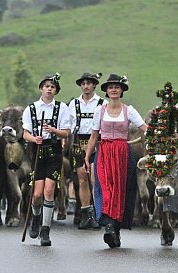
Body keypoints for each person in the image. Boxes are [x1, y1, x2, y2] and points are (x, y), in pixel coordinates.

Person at [84, 73, 148, 248]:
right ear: (106, 90)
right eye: (110, 87)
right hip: (104, 152)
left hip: (122, 153)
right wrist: (87, 157)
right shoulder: (100, 110)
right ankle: (109, 225)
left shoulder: (129, 110)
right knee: (105, 188)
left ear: (121, 91)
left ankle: (114, 228)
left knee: (119, 190)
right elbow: (94, 136)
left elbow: (145, 128)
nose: (114, 90)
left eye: (117, 87)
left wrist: (160, 134)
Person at [22, 73, 71, 246]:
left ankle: (45, 230)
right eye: (47, 86)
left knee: (49, 191)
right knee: (36, 195)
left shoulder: (62, 108)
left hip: (54, 152)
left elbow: (66, 132)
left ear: (56, 91)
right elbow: (25, 133)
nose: (49, 89)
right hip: (37, 152)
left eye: (52, 87)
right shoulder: (31, 109)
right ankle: (36, 217)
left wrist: (53, 131)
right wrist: (34, 139)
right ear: (41, 89)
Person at [68, 72, 107, 229]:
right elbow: (69, 124)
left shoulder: (102, 103)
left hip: (97, 142)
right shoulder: (74, 104)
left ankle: (98, 214)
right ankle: (86, 215)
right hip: (78, 142)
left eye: (88, 83)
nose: (85, 86)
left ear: (94, 85)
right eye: (83, 84)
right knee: (82, 179)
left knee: (94, 180)